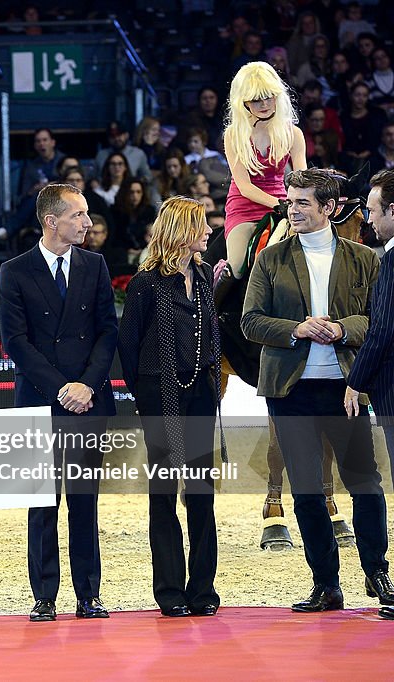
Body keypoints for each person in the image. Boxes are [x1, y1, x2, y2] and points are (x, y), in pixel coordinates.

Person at [241, 169, 393, 615]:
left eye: (303, 202)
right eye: (291, 202)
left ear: (329, 208)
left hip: (347, 387)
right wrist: (297, 328)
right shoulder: (270, 259)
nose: (293, 210)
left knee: (365, 483)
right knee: (306, 489)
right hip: (291, 391)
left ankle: (377, 572)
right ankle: (326, 584)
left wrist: (343, 329)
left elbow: (379, 320)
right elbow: (250, 320)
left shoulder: (366, 258)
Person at [0, 183, 118, 622]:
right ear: (51, 222)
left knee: (84, 502)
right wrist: (61, 389)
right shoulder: (15, 270)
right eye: (79, 215)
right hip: (39, 401)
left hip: (89, 401)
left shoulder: (95, 265)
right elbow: (16, 342)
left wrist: (85, 386)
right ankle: (44, 595)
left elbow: (108, 331)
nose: (88, 223)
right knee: (42, 502)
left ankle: (89, 594)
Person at [118, 196, 221, 617]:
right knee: (163, 494)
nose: (210, 231)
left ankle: (203, 591)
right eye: (202, 225)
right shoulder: (146, 283)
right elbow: (128, 344)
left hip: (199, 395)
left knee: (201, 494)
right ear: (183, 230)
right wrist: (145, 397)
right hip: (159, 396)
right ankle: (170, 592)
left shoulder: (202, 275)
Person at [346, 173, 394, 620]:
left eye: (375, 210)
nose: (368, 218)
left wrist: (355, 381)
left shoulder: (390, 262)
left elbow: (380, 333)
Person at [221, 62, 307, 282]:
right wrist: (280, 205)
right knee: (237, 266)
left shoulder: (293, 133)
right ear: (244, 102)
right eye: (257, 99)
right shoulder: (234, 135)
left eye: (269, 97)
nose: (264, 104)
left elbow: (302, 179)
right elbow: (245, 186)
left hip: (283, 204)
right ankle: (217, 313)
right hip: (244, 206)